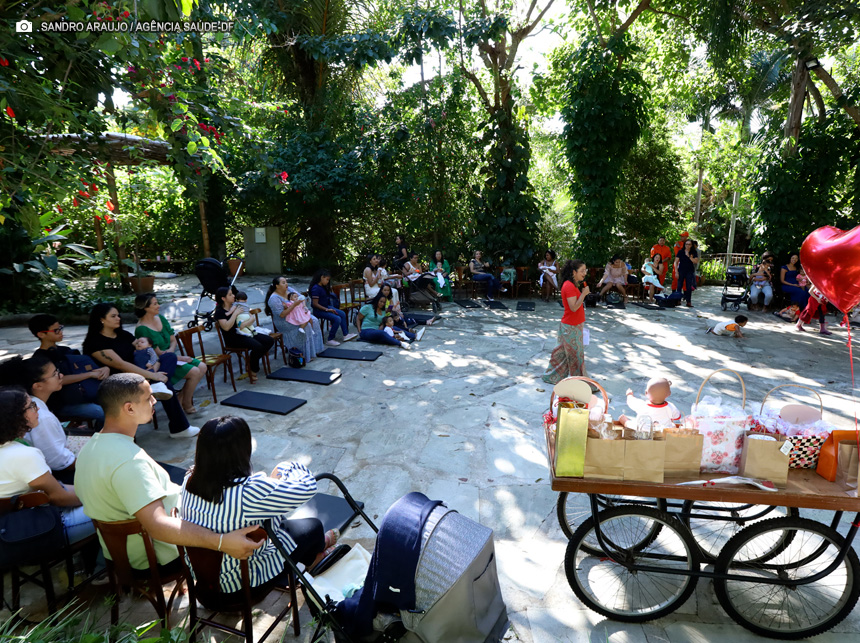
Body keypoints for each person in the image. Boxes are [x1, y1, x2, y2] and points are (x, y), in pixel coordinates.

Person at [75, 374, 263, 573]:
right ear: (129, 408)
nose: (154, 401)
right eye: (148, 398)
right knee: (250, 520)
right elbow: (158, 526)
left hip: (120, 554)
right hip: (157, 558)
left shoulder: (90, 447)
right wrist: (220, 541)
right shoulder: (129, 462)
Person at [181, 416, 336, 593]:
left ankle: (312, 555)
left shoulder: (189, 479)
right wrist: (286, 467)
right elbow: (307, 487)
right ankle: (315, 558)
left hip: (205, 579)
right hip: (242, 584)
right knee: (314, 527)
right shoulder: (247, 491)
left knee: (280, 520)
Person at [83, 303, 200, 439]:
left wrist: (155, 365)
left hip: (142, 372)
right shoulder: (95, 343)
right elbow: (121, 365)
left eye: (118, 315)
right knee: (165, 385)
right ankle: (179, 427)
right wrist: (153, 375)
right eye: (113, 316)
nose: (118, 318)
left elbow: (145, 350)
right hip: (120, 382)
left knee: (169, 357)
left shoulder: (123, 335)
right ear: (101, 319)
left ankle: (158, 385)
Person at [0, 385, 95, 544]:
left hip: (14, 525)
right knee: (114, 505)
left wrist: (91, 489)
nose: (37, 408)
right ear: (16, 416)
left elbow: (57, 489)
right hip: (38, 530)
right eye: (31, 406)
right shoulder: (24, 454)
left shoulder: (13, 448)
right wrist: (100, 494)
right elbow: (60, 497)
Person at [0, 355, 77, 485]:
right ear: (38, 386)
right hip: (56, 476)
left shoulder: (29, 406)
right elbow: (58, 461)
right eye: (55, 374)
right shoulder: (40, 416)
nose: (61, 376)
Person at [29, 314, 108, 428]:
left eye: (60, 328)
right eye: (56, 330)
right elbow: (59, 379)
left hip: (85, 394)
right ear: (41, 334)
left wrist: (105, 368)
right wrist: (89, 374)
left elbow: (87, 366)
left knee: (116, 405)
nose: (60, 332)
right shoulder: (40, 359)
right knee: (102, 412)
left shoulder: (65, 350)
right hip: (63, 403)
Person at [134, 293, 206, 415]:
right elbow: (156, 354)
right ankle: (187, 403)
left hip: (170, 356)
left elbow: (173, 340)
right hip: (159, 363)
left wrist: (171, 354)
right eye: (155, 304)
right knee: (194, 371)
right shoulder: (142, 329)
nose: (159, 306)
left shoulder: (161, 318)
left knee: (202, 366)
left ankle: (180, 398)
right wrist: (176, 357)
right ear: (145, 308)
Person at [214, 287, 275, 384]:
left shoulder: (236, 305)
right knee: (258, 346)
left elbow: (249, 317)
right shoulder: (220, 312)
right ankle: (253, 369)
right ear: (223, 298)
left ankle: (250, 362)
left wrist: (248, 322)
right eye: (230, 294)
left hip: (246, 332)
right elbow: (226, 327)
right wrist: (235, 314)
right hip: (233, 339)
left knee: (269, 341)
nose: (234, 296)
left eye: (232, 294)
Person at [542, 260, 590, 384]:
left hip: (573, 324)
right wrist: (583, 294)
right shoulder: (568, 286)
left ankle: (551, 377)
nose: (584, 273)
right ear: (574, 272)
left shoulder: (572, 285)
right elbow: (573, 307)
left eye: (585, 270)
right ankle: (581, 383)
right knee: (576, 357)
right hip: (571, 326)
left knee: (561, 354)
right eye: (582, 271)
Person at [265, 276, 325, 362]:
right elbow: (281, 315)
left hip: (298, 314)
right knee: (306, 326)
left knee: (314, 320)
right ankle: (303, 355)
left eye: (286, 282)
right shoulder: (274, 299)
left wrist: (304, 306)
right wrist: (294, 305)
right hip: (285, 321)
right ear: (277, 286)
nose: (286, 284)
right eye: (283, 283)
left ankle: (315, 350)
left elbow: (302, 298)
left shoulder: (289, 289)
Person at [355, 291, 419, 349]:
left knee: (394, 327)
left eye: (384, 302)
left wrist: (390, 299)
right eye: (381, 301)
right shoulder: (367, 307)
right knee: (382, 333)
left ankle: (415, 336)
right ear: (377, 300)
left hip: (377, 330)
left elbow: (390, 309)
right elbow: (358, 318)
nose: (382, 304)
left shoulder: (383, 311)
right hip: (366, 330)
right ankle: (400, 343)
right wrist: (359, 330)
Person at [309, 269, 358, 346]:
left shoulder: (322, 287)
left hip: (326, 307)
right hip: (319, 310)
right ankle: (330, 339)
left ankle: (345, 334)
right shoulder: (316, 288)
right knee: (337, 319)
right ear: (322, 277)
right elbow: (315, 304)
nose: (328, 281)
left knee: (342, 313)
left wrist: (329, 308)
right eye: (327, 279)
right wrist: (327, 310)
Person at [673, 238, 699, 308]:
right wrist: (676, 272)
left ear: (691, 245)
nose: (687, 246)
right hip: (681, 270)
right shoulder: (681, 251)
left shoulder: (694, 252)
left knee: (688, 286)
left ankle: (688, 301)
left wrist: (689, 256)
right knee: (679, 286)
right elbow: (676, 262)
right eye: (686, 244)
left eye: (689, 244)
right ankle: (678, 300)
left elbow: (696, 261)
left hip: (689, 271)